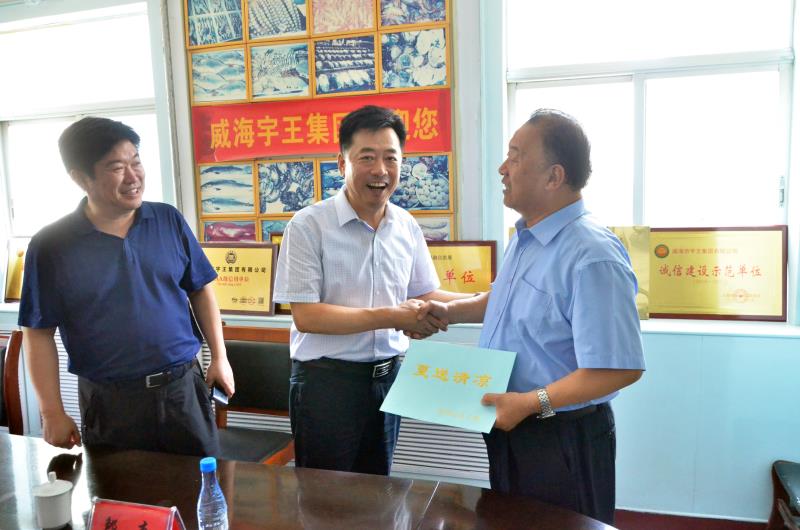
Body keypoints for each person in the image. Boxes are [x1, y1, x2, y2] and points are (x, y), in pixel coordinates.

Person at [418, 109, 645, 524]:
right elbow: (504, 300)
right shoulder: (527, 238)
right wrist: (449, 311)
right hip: (512, 426)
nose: (503, 169)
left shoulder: (592, 255)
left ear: (554, 176)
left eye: (516, 156)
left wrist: (529, 402)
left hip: (561, 437)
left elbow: (619, 368)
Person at [18, 117, 234, 456]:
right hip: (111, 403)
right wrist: (51, 412)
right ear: (80, 178)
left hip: (183, 391)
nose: (133, 177)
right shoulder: (52, 245)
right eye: (117, 167)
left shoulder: (167, 220)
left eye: (136, 162)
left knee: (202, 484)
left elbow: (200, 289)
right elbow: (38, 333)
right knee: (120, 489)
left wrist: (219, 357)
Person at [273, 105, 468, 475]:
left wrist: (489, 302)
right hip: (327, 384)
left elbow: (426, 295)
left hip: (388, 380)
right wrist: (394, 316)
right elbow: (307, 316)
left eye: (391, 158)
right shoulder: (308, 226)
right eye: (367, 157)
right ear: (341, 163)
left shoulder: (406, 225)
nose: (381, 170)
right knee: (324, 496)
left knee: (379, 491)